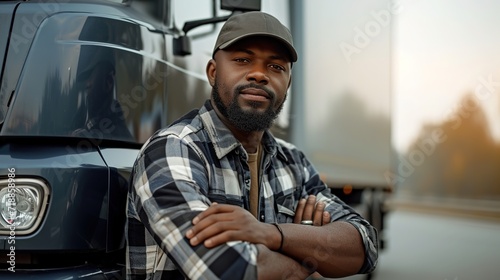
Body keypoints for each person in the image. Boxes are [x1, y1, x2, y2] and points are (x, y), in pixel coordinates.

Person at [126, 11, 378, 280]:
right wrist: (309, 252)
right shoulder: (173, 152)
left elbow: (365, 246)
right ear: (213, 72)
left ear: (288, 84)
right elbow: (228, 270)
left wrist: (270, 234)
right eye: (243, 60)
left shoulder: (293, 162)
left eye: (276, 67)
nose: (259, 74)